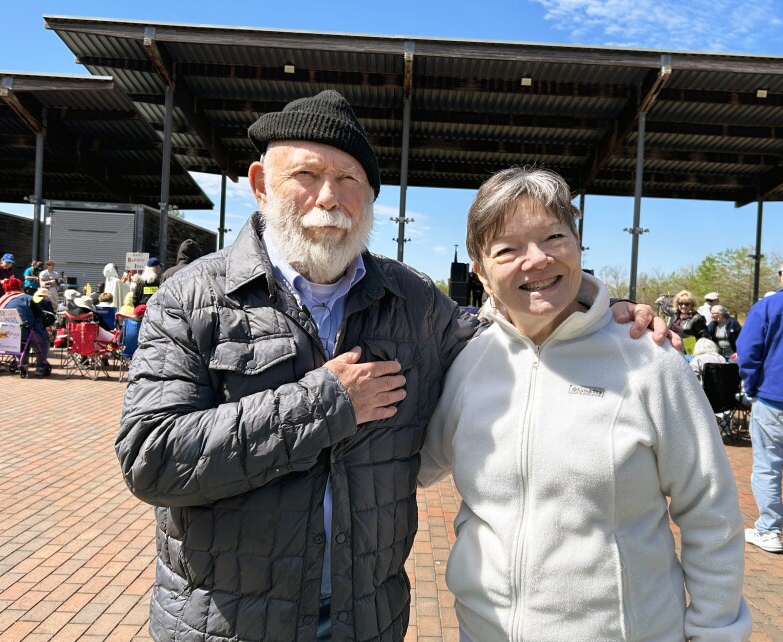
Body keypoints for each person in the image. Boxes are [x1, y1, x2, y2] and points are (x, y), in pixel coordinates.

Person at [115, 90, 670, 642]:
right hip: (227, 621)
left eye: (350, 179)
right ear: (261, 184)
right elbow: (152, 458)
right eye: (306, 175)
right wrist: (326, 402)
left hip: (367, 618)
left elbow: (515, 339)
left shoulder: (414, 300)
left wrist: (596, 313)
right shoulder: (191, 297)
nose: (329, 197)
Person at [419, 166, 750, 642]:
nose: (535, 261)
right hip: (482, 629)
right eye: (507, 249)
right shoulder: (470, 361)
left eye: (553, 237)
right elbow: (413, 464)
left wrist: (716, 630)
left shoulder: (648, 359)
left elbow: (710, 510)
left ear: (577, 244)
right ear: (481, 273)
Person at [738, 265, 783, 554]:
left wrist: (751, 387)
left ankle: (770, 529)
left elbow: (748, 351)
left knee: (768, 466)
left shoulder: (768, 307)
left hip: (772, 398)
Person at [0, 277, 51, 376]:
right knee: (44, 341)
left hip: (6, 333)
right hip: (26, 330)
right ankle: (40, 367)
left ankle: (23, 363)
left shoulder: (2, 300)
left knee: (22, 342)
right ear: (20, 286)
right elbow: (39, 313)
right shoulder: (27, 298)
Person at [670, 289, 707, 354]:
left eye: (686, 304)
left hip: (689, 351)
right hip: (673, 349)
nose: (683, 306)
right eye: (681, 303)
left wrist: (695, 350)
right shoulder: (675, 316)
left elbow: (705, 337)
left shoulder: (697, 318)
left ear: (692, 305)